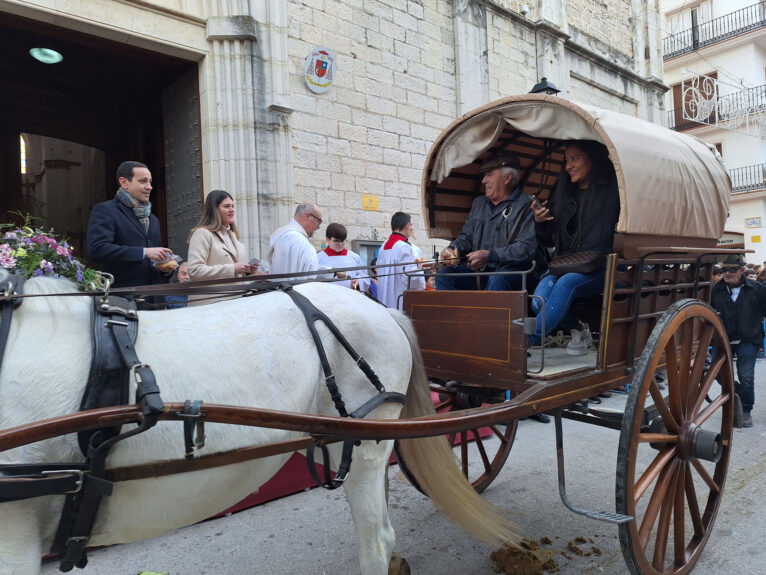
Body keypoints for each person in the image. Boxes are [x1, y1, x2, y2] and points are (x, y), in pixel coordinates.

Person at [529, 140, 620, 355]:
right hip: (567, 264)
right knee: (537, 301)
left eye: (575, 158)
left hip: (602, 265)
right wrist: (540, 222)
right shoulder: (563, 195)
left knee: (566, 284)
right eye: (566, 160)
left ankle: (526, 340)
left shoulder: (613, 191)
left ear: (593, 159)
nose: (569, 165)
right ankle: (579, 328)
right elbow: (550, 241)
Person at [435, 152, 539, 292]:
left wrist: (491, 256)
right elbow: (466, 237)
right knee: (444, 275)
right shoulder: (479, 203)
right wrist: (452, 249)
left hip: (515, 273)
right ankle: (454, 314)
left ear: (507, 178)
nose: (484, 180)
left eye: (489, 175)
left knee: (498, 279)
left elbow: (526, 249)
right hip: (481, 272)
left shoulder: (527, 205)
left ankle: (490, 314)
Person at [86, 161, 174, 293]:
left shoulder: (153, 219)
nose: (149, 187)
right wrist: (144, 252)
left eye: (150, 181)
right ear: (124, 183)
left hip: (155, 301)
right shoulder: (105, 210)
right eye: (143, 181)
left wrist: (163, 268)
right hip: (124, 300)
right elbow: (97, 249)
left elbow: (152, 262)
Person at [711, 255, 766, 428]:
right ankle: (739, 396)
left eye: (732, 270)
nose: (727, 273)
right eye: (724, 270)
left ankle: (746, 410)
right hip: (723, 338)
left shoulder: (757, 289)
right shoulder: (715, 289)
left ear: (742, 271)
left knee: (746, 376)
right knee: (717, 373)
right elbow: (707, 309)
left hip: (748, 339)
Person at [187, 190, 257, 305]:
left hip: (235, 304)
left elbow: (234, 271)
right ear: (214, 210)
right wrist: (233, 269)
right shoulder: (202, 234)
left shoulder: (233, 236)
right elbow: (195, 271)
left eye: (233, 206)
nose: (232, 210)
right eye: (226, 206)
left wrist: (246, 271)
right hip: (210, 306)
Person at [377, 212, 426, 310]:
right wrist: (419, 267)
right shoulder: (404, 247)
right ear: (407, 226)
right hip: (398, 299)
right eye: (411, 225)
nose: (412, 228)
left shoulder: (383, 246)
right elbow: (412, 278)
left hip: (383, 298)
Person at [269, 201, 325, 277]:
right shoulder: (304, 244)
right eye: (318, 221)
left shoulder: (279, 236)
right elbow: (311, 275)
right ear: (307, 216)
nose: (318, 227)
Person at [316, 223, 369, 292]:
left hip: (350, 297)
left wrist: (358, 281)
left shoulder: (354, 257)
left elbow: (365, 276)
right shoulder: (318, 258)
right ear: (327, 239)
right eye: (336, 241)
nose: (340, 244)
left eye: (342, 240)